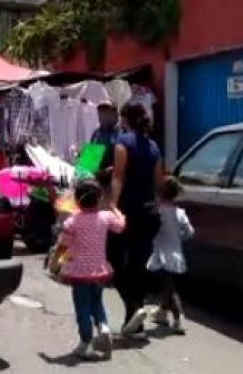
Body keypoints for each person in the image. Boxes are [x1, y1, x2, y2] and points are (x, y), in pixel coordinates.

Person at [108, 102, 166, 337]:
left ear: (124, 119)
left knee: (113, 259)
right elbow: (159, 182)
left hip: (127, 211)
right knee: (137, 266)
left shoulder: (122, 142)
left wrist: (112, 203)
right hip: (149, 211)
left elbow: (118, 177)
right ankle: (135, 318)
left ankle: (134, 307)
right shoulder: (153, 147)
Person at [58, 179, 126, 360]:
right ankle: (103, 327)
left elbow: (63, 245)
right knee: (97, 302)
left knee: (82, 308)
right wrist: (117, 211)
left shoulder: (72, 222)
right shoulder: (105, 217)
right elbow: (120, 227)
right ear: (99, 198)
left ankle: (86, 343)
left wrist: (57, 260)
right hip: (100, 270)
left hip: (79, 272)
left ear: (77, 200)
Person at [146, 176, 194, 335]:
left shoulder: (156, 211)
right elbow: (189, 232)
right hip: (175, 253)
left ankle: (179, 317)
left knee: (169, 287)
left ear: (159, 193)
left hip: (161, 253)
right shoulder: (180, 213)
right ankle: (162, 313)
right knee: (167, 285)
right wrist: (179, 237)